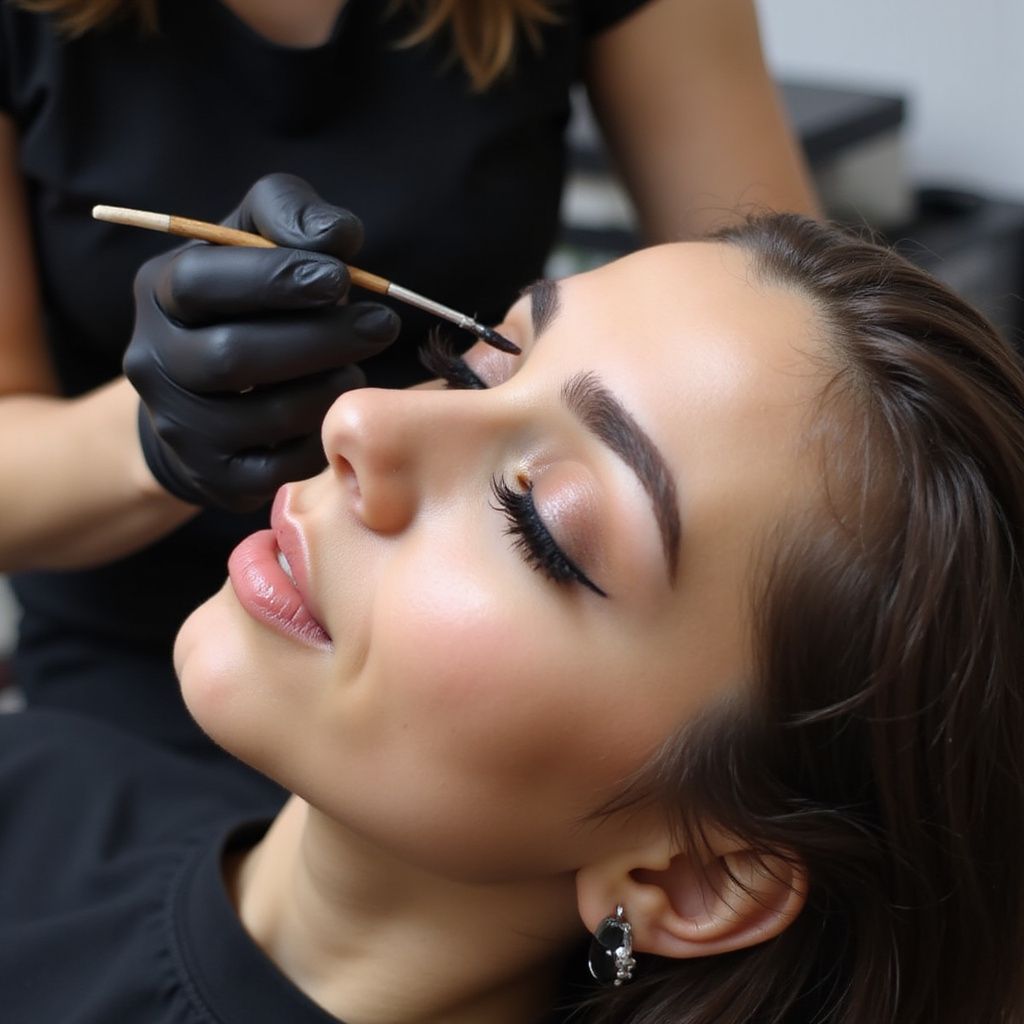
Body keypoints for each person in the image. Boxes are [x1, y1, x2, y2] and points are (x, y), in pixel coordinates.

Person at [2, 215, 1022, 1023]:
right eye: (476, 367)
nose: (362, 419)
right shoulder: (29, 787)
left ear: (699, 875)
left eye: (537, 520)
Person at [0, 0, 818, 757]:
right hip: (125, 671)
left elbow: (805, 380)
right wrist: (155, 440)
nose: (355, 422)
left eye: (545, 523)